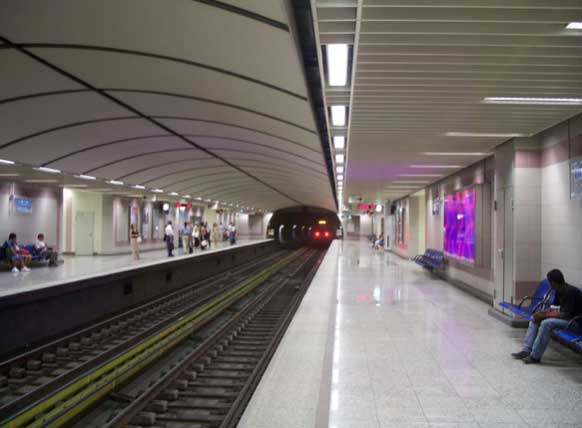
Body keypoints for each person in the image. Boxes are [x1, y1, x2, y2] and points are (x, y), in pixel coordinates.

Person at [512, 269, 582, 364]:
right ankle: (526, 350)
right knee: (534, 319)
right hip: (566, 320)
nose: (549, 284)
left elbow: (567, 315)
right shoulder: (558, 291)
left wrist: (545, 317)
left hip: (575, 323)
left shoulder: (570, 292)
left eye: (549, 281)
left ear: (553, 282)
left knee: (546, 323)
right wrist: (541, 313)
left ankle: (535, 356)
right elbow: (554, 309)